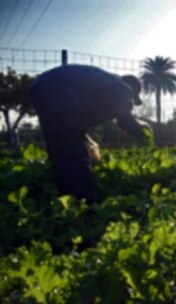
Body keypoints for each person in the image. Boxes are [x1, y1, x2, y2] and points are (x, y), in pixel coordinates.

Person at [30, 64, 152, 203]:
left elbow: (77, 123)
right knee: (74, 154)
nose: (130, 103)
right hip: (61, 91)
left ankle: (50, 188)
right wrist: (143, 135)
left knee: (58, 143)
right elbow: (125, 121)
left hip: (40, 87)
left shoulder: (106, 85)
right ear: (133, 91)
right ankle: (81, 203)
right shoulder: (124, 89)